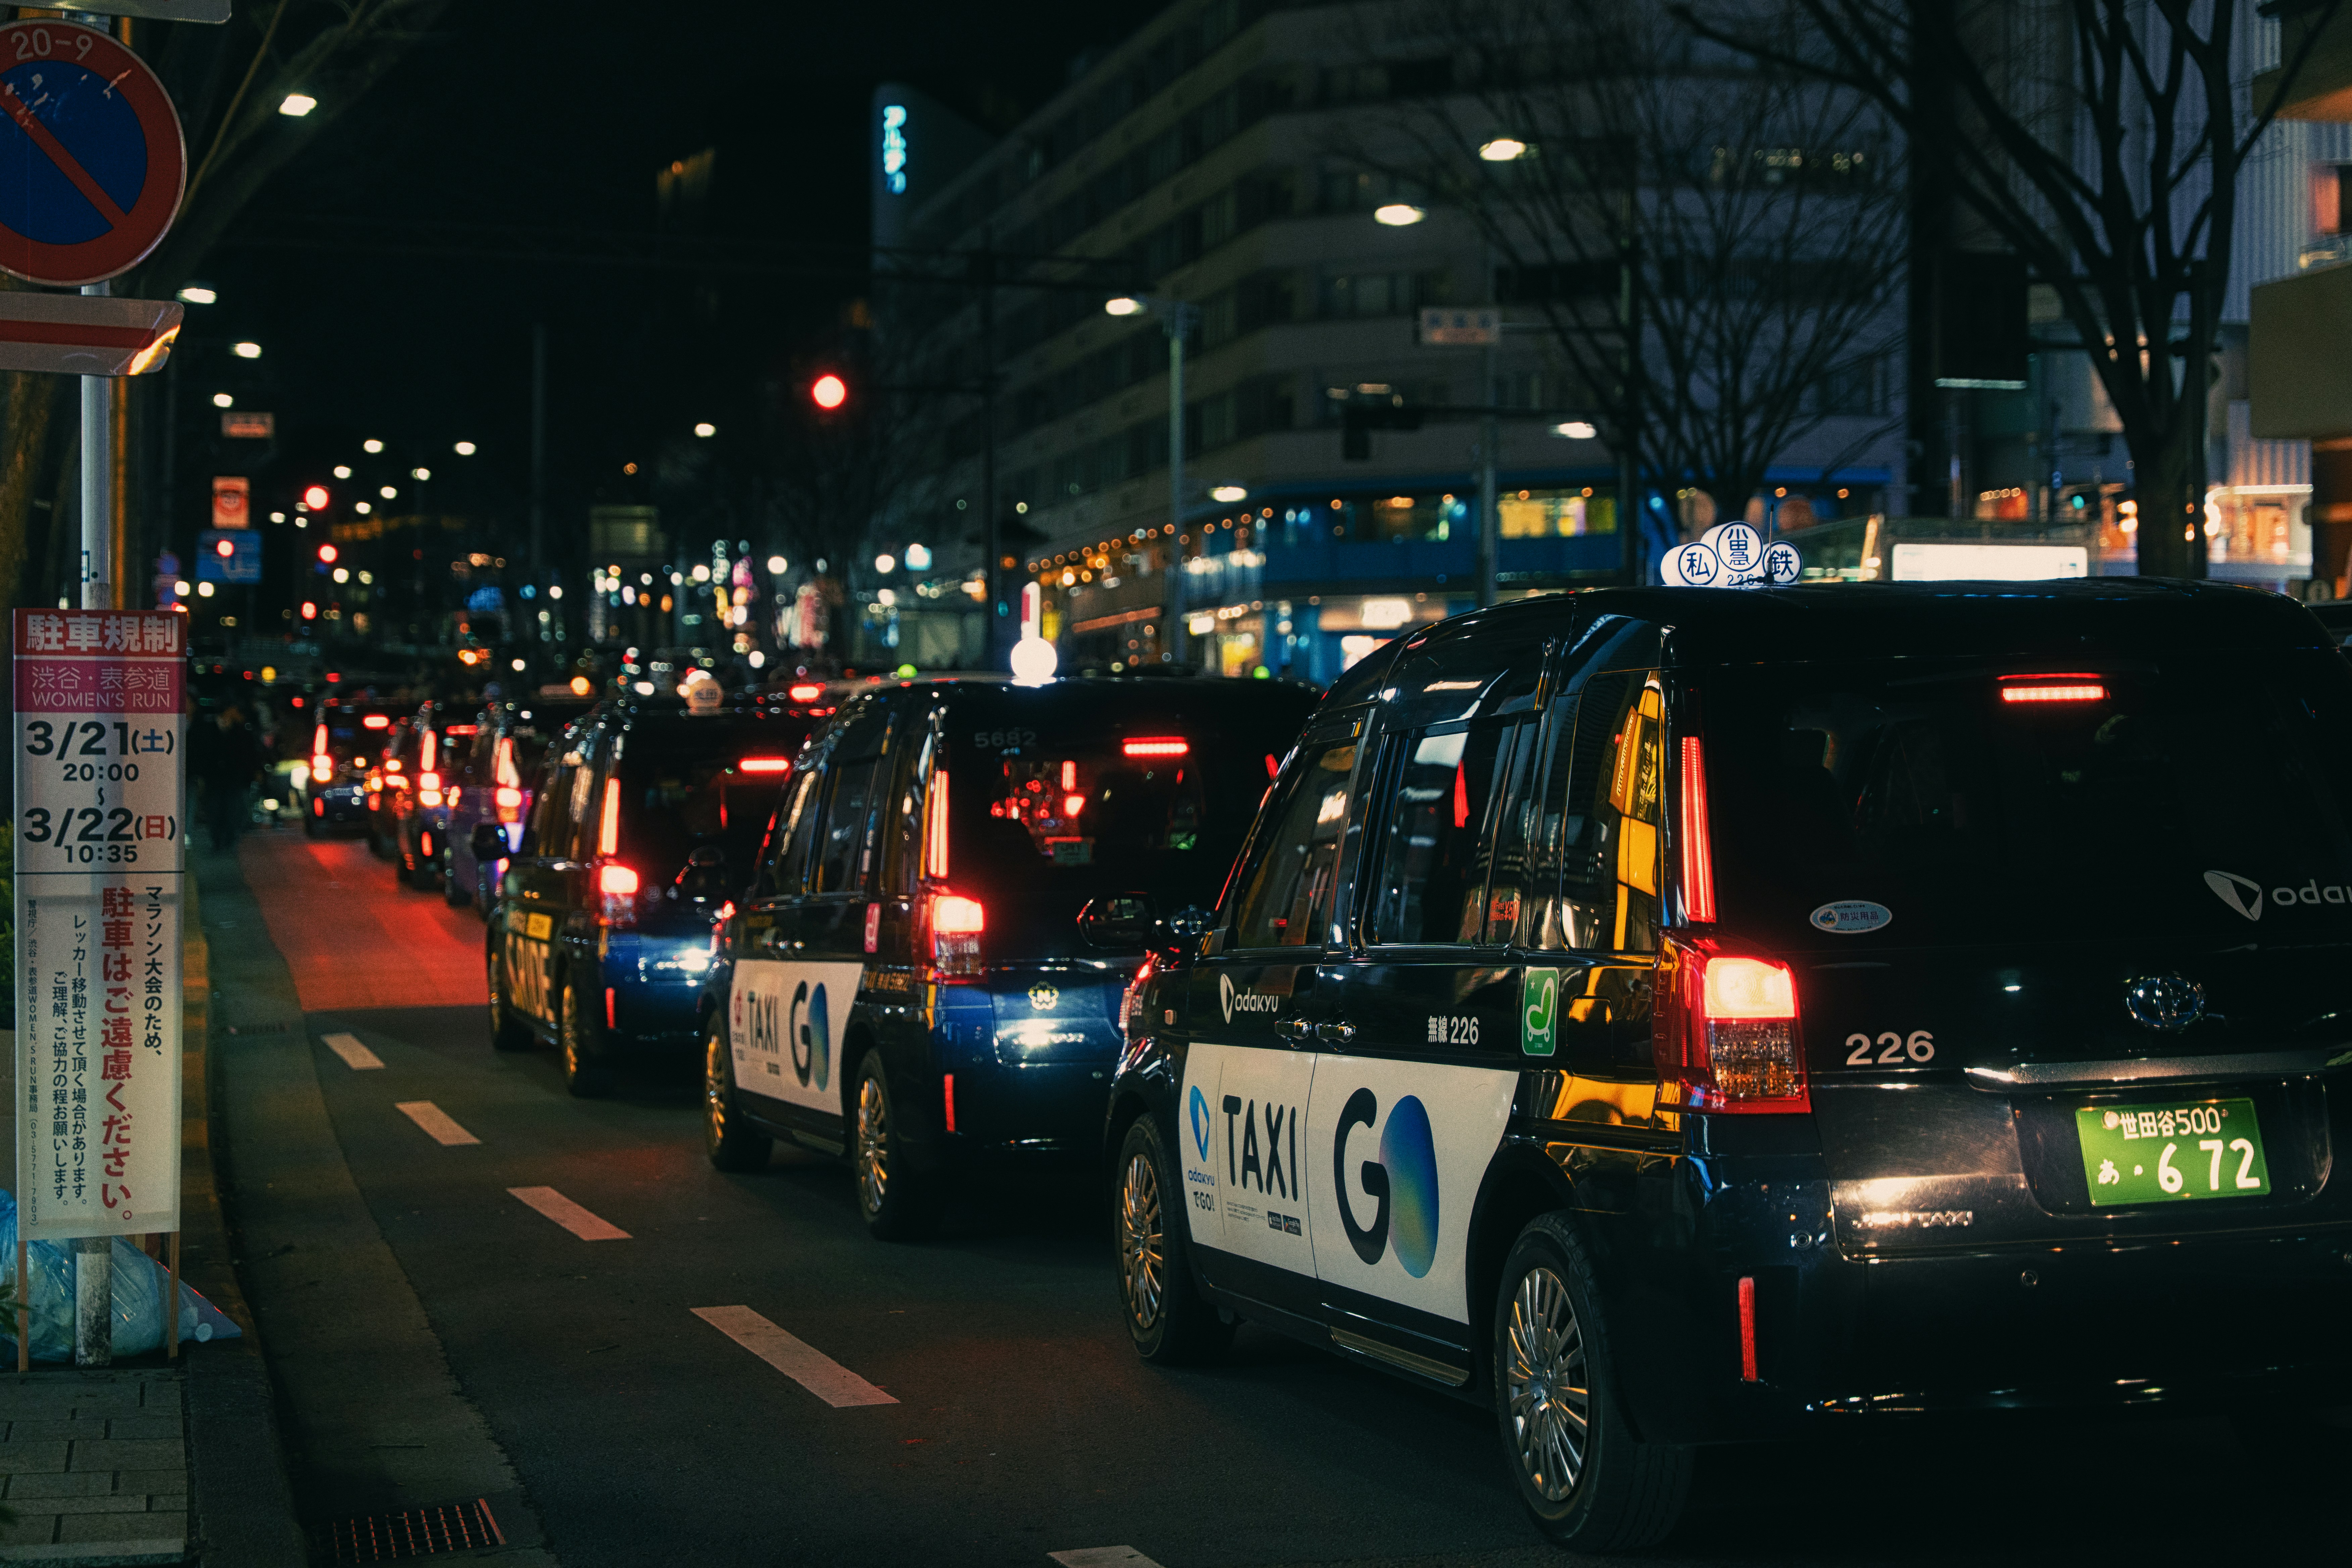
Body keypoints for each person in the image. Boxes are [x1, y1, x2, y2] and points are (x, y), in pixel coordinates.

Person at [191, 705, 265, 852]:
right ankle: (218, 840)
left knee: (232, 809)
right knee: (215, 809)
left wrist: (253, 771)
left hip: (233, 778)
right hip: (214, 778)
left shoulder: (241, 730)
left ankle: (229, 839)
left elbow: (249, 753)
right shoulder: (209, 728)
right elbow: (201, 752)